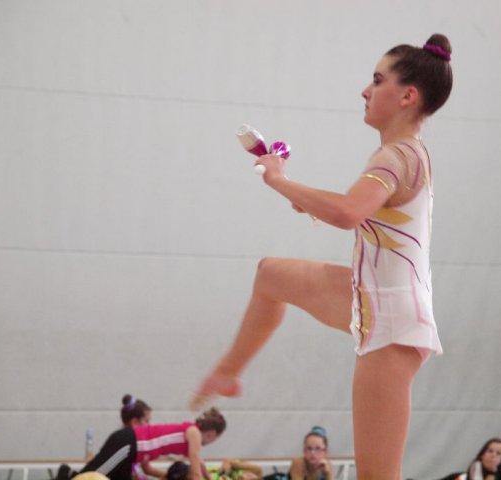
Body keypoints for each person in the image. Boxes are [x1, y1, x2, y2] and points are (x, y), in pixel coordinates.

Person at [192, 33, 453, 480]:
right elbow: (360, 209)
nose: (365, 91)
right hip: (370, 298)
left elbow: (348, 212)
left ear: (407, 96)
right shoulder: (401, 153)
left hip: (392, 324)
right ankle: (228, 372)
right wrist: (302, 196)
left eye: (377, 80)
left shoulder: (396, 156)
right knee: (271, 274)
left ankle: (229, 371)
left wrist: (278, 180)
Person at [56, 408, 226, 480]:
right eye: (214, 439)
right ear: (212, 434)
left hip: (131, 452)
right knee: (92, 475)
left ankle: (69, 474)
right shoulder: (194, 432)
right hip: (128, 443)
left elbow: (148, 469)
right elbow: (196, 471)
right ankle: (66, 474)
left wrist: (169, 477)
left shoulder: (187, 437)